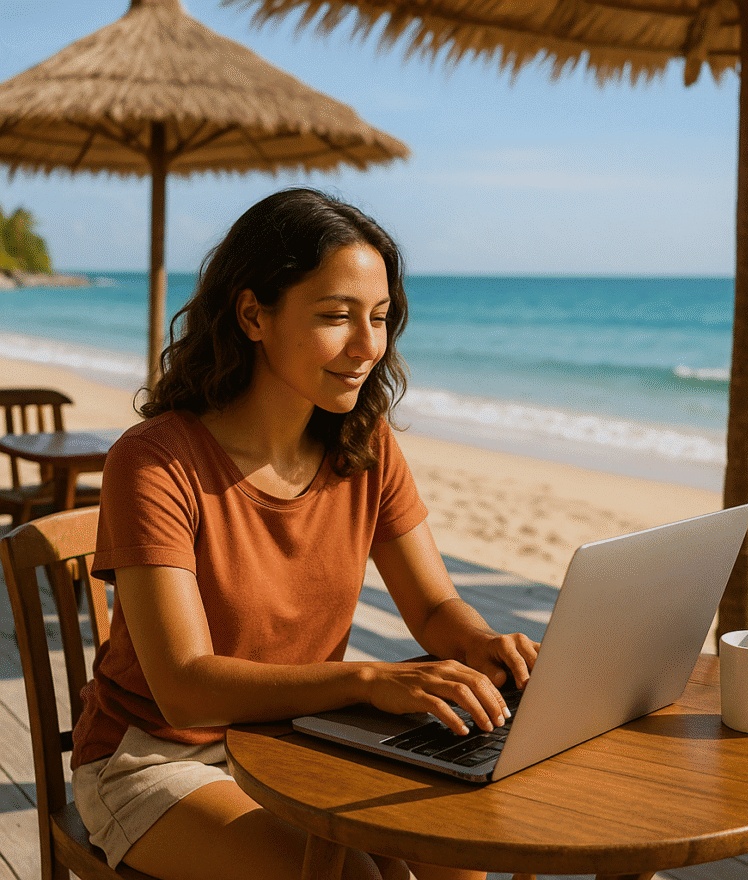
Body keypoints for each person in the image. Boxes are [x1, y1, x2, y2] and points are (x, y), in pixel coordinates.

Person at [71, 188, 540, 880]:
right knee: (346, 875)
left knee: (460, 858)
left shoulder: (365, 445)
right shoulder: (154, 462)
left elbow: (435, 608)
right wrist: (369, 680)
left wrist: (482, 644)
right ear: (254, 313)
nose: (367, 346)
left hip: (304, 743)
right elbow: (185, 689)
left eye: (380, 319)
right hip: (156, 758)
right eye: (335, 317)